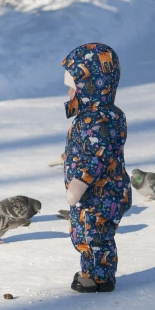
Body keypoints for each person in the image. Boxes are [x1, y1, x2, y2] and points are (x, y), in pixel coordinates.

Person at [61, 43, 131, 293]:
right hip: (98, 192)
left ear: (88, 86)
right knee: (86, 234)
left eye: (73, 86)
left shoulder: (99, 119)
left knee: (95, 236)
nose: (69, 92)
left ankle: (98, 277)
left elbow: (97, 156)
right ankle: (93, 273)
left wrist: (77, 185)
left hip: (101, 193)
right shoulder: (98, 115)